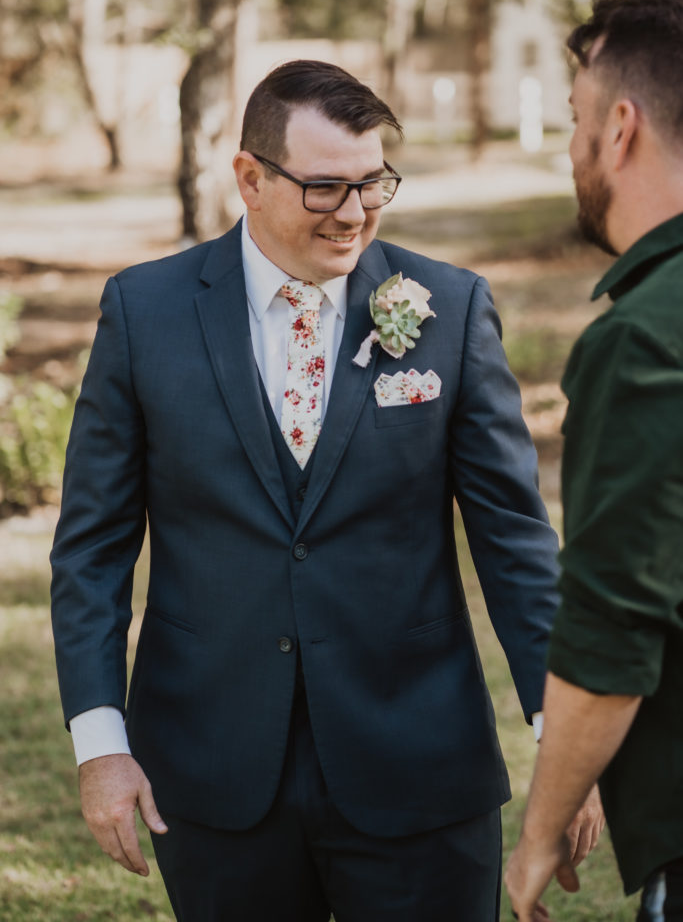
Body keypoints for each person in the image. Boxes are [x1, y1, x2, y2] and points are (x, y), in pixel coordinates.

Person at [51, 59, 591, 922]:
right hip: (212, 767)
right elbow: (91, 549)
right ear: (249, 178)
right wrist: (99, 747)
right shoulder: (143, 311)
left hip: (418, 761)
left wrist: (561, 743)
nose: (353, 213)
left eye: (373, 183)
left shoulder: (448, 310)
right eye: (325, 187)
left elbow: (516, 546)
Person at [505, 0, 683, 922]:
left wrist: (540, 833)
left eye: (573, 121)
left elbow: (613, 626)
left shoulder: (647, 338)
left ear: (619, 129)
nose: (569, 148)